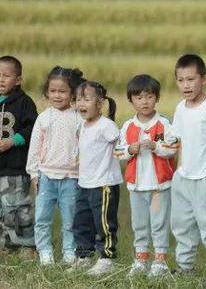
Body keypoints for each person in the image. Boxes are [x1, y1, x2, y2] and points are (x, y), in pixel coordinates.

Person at [168, 54, 206, 282]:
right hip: (184, 176)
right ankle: (185, 266)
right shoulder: (180, 108)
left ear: (203, 79)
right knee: (181, 225)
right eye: (181, 80)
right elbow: (178, 139)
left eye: (191, 79)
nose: (186, 85)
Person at [0, 55, 39, 257]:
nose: (0, 80)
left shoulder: (24, 103)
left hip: (15, 165)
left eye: (6, 76)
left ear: (18, 80)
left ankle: (28, 245)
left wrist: (14, 141)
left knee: (17, 207)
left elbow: (33, 128)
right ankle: (6, 243)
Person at [116, 74, 177, 277]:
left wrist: (156, 146)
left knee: (159, 223)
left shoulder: (164, 123)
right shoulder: (128, 126)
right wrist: (130, 150)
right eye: (139, 97)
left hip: (159, 186)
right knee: (139, 224)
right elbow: (118, 152)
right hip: (136, 186)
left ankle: (160, 261)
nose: (144, 102)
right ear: (131, 100)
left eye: (149, 96)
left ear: (157, 98)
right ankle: (140, 260)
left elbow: (173, 147)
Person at [27, 66, 86, 265]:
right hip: (46, 176)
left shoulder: (79, 117)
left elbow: (85, 145)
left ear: (73, 93)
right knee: (42, 217)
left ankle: (70, 250)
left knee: (70, 218)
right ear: (47, 92)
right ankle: (44, 251)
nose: (57, 95)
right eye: (53, 91)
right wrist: (34, 174)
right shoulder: (44, 117)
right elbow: (35, 147)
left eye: (62, 91)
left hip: (71, 176)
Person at [69, 81, 122, 276]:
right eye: (78, 99)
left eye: (87, 99)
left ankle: (106, 258)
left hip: (104, 184)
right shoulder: (82, 125)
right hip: (85, 182)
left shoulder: (106, 126)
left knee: (104, 223)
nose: (81, 104)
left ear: (99, 104)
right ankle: (84, 255)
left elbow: (121, 144)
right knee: (82, 221)